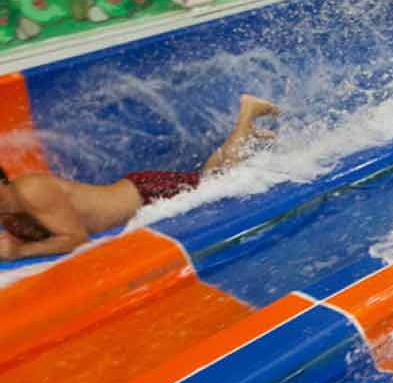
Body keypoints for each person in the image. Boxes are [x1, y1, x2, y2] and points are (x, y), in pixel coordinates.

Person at [0, 94, 279, 261]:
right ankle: (246, 134)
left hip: (145, 194)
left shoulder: (32, 191)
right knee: (210, 177)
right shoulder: (8, 210)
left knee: (220, 182)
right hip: (136, 192)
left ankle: (247, 114)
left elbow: (76, 239)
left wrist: (20, 253)